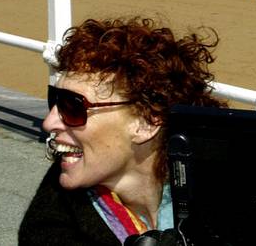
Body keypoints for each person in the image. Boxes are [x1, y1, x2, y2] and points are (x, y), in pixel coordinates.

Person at [19, 17, 225, 246]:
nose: (48, 122)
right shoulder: (48, 225)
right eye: (54, 100)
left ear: (147, 122)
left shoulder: (234, 199)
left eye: (73, 106)